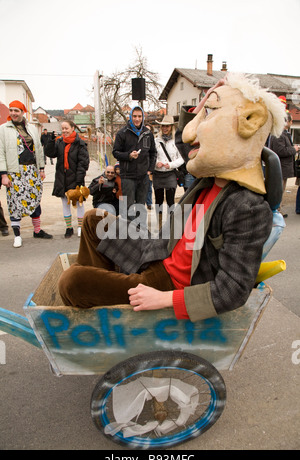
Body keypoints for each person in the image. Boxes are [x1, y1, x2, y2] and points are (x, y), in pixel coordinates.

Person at [58, 74, 286, 322]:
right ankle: (105, 307)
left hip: (169, 284)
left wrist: (164, 299)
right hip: (158, 251)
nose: (190, 135)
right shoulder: (208, 180)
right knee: (94, 220)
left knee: (72, 282)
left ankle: (105, 306)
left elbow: (234, 289)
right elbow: (185, 139)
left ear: (250, 122)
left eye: (209, 114)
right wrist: (205, 101)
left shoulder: (248, 206)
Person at [0, 100, 53, 248]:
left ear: (23, 112)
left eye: (16, 110)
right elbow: (1, 153)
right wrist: (3, 175)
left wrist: (41, 169)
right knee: (15, 203)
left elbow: (39, 150)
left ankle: (37, 230)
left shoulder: (31, 129)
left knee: (35, 199)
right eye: (11, 110)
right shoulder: (3, 129)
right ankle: (17, 235)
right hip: (15, 172)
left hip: (32, 171)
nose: (13, 113)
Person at [46, 120, 90, 238]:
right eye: (63, 128)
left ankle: (80, 227)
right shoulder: (59, 142)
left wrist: (79, 180)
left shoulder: (80, 143)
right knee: (65, 204)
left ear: (72, 128)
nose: (64, 131)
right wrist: (50, 141)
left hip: (76, 179)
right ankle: (69, 228)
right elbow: (50, 153)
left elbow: (83, 163)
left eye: (66, 128)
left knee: (79, 204)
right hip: (62, 178)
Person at [112, 106, 156, 223]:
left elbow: (153, 153)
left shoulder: (147, 133)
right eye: (134, 116)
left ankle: (141, 233)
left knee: (141, 207)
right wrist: (128, 156)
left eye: (139, 116)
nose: (137, 119)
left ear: (143, 117)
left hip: (143, 176)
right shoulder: (122, 133)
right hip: (127, 176)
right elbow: (115, 152)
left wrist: (149, 170)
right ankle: (129, 235)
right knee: (129, 208)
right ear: (130, 117)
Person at [153, 115, 184, 229]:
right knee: (159, 200)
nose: (165, 128)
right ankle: (160, 224)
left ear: (171, 127)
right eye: (163, 126)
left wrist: (170, 164)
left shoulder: (176, 141)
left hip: (170, 173)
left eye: (167, 126)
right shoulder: (156, 140)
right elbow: (152, 156)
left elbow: (181, 158)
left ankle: (170, 225)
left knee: (171, 200)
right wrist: (156, 163)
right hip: (158, 174)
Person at [269, 113, 300, 217]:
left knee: (281, 190)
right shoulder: (279, 134)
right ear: (286, 121)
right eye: (291, 121)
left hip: (282, 168)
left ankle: (278, 209)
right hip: (281, 168)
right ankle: (276, 210)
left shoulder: (283, 133)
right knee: (279, 191)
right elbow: (280, 150)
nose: (291, 123)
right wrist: (293, 149)